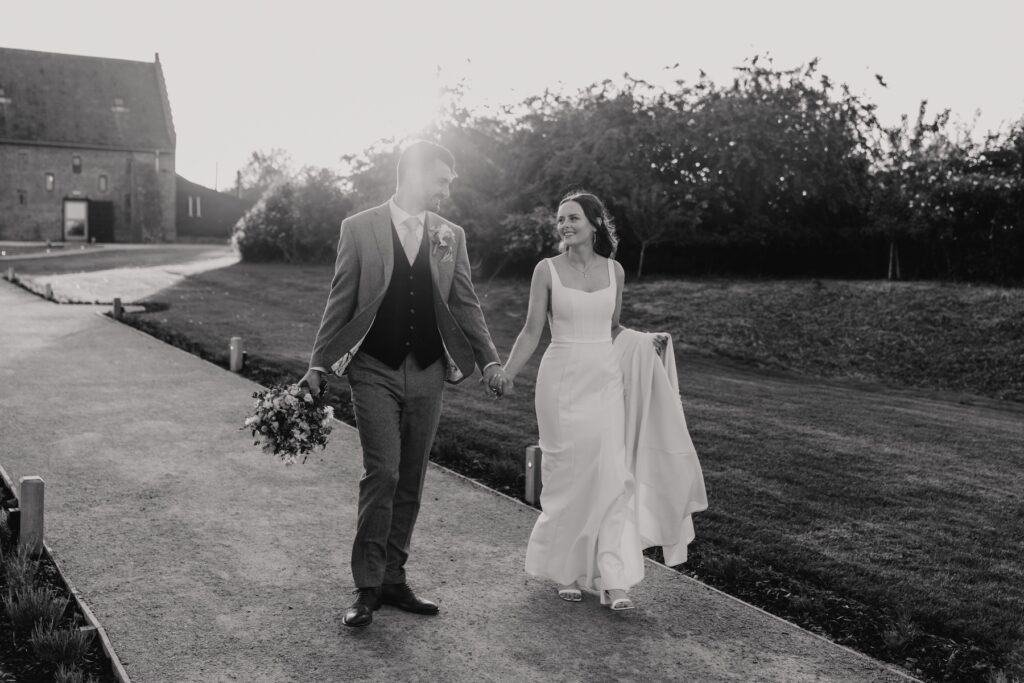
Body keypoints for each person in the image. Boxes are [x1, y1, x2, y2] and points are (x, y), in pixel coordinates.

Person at [299, 140, 510, 628]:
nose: (446, 189)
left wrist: (491, 361)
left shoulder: (450, 235)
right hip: (374, 367)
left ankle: (394, 578)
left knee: (412, 475)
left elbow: (466, 303)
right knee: (385, 472)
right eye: (441, 180)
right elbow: (341, 298)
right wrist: (318, 364)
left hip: (430, 370)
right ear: (414, 174)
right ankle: (367, 585)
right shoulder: (359, 227)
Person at [501, 190, 672, 610]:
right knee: (567, 474)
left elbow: (612, 328)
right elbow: (530, 331)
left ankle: (614, 579)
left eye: (573, 217)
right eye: (560, 219)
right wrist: (507, 372)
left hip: (605, 379)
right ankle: (568, 570)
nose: (564, 225)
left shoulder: (615, 271)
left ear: (594, 223)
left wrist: (648, 341)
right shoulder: (546, 270)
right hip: (560, 379)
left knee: (612, 473)